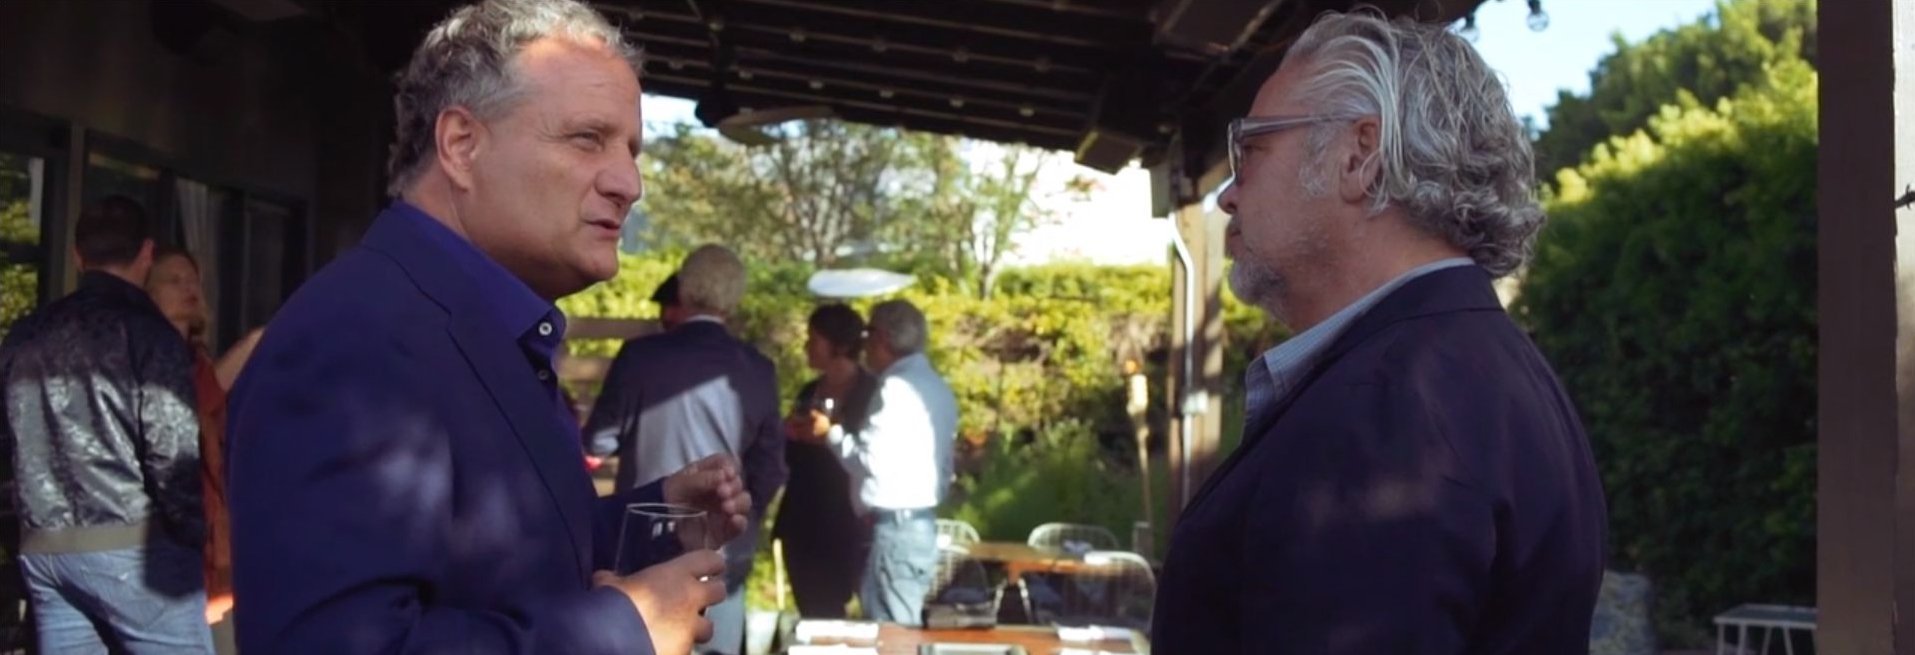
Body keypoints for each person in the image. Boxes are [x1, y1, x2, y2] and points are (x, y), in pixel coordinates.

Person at [223, 1, 750, 652]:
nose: (628, 182)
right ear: (461, 145)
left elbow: (507, 558)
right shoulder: (355, 338)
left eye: (631, 149)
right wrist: (617, 631)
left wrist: (652, 519)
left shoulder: (481, 326)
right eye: (587, 138)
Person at [1149, 11, 1608, 654]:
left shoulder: (1384, 409)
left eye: (1250, 149)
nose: (1227, 195)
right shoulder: (1491, 371)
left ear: (1360, 154)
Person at [0, 196, 212, 653]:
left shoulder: (27, 333)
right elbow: (171, 450)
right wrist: (194, 536)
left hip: (46, 547)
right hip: (132, 542)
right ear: (147, 253)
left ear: (78, 256)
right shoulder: (148, 332)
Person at [581, 245, 785, 655]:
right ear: (735, 298)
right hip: (719, 552)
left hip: (642, 545)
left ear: (684, 289)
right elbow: (770, 468)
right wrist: (737, 516)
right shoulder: (758, 369)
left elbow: (598, 441)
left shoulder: (640, 357)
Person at [799, 299, 956, 627]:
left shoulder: (895, 388)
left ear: (882, 337)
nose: (864, 344)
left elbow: (870, 461)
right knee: (898, 630)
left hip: (893, 530)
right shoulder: (936, 386)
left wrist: (830, 433)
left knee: (892, 635)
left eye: (867, 334)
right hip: (918, 523)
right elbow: (944, 467)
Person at [143, 247, 237, 632]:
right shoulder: (145, 358)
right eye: (174, 280)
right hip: (165, 537)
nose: (189, 288)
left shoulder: (199, 361)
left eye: (194, 280)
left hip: (211, 535)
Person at [774, 303, 878, 618]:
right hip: (805, 520)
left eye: (814, 339)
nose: (806, 346)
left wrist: (829, 435)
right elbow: (788, 455)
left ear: (840, 345)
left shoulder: (873, 393)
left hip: (852, 522)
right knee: (816, 613)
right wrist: (788, 434)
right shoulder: (809, 391)